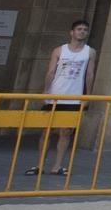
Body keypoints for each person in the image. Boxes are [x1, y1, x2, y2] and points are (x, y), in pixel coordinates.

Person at [27, 19, 95, 178]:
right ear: (72, 32)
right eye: (79, 29)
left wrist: (87, 95)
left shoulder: (89, 52)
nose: (82, 32)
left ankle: (57, 166)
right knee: (46, 131)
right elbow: (50, 71)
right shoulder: (59, 50)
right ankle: (39, 165)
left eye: (85, 29)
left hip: (73, 97)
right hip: (55, 95)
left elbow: (90, 74)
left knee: (66, 132)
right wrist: (45, 91)